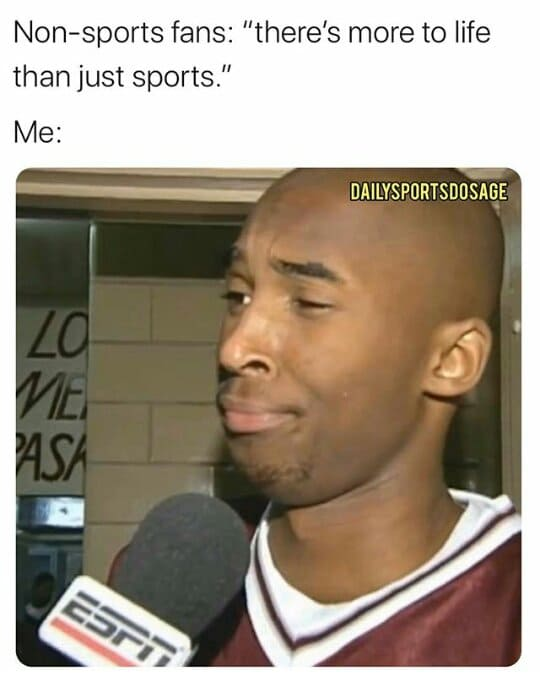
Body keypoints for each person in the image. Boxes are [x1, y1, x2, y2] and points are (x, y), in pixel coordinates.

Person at [202, 168, 520, 666]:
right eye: (238, 296)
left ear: (450, 360)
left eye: (308, 302)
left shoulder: (515, 611)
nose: (235, 348)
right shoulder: (165, 582)